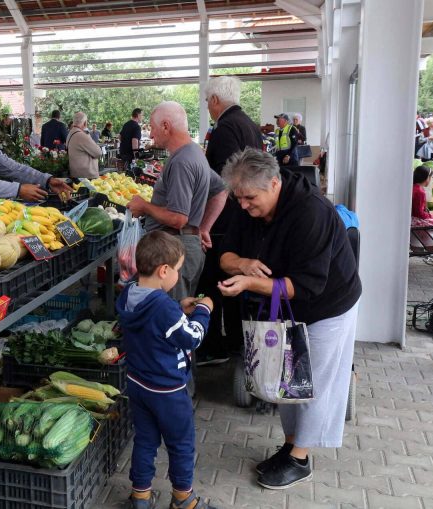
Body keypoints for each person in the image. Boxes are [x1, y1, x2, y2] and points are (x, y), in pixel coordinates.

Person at [217, 147, 362, 490]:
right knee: (286, 380)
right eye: (238, 198)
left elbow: (308, 286)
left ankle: (300, 458)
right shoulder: (245, 205)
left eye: (250, 198)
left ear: (273, 183)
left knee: (314, 384)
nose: (243, 205)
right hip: (281, 305)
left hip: (328, 305)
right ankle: (290, 445)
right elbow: (223, 255)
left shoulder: (312, 212)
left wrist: (252, 282)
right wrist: (242, 265)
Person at [116, 230, 216, 509]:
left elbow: (157, 320)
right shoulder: (163, 307)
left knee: (145, 440)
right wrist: (202, 311)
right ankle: (183, 499)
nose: (177, 276)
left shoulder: (128, 294)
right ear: (163, 270)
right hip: (168, 391)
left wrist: (177, 307)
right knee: (181, 443)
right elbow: (191, 337)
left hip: (138, 384)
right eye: (177, 270)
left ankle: (140, 497)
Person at [127, 101, 227, 302]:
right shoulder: (194, 152)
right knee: (180, 310)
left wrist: (144, 206)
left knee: (171, 314)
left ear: (165, 125)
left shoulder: (182, 161)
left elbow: (178, 218)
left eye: (153, 128)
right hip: (184, 245)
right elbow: (220, 191)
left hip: (173, 250)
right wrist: (204, 228)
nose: (152, 134)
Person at [196, 75, 263, 366]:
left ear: (214, 100)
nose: (208, 107)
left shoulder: (224, 129)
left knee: (212, 280)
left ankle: (214, 346)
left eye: (207, 101)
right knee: (236, 281)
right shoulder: (250, 124)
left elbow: (221, 183)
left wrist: (207, 224)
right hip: (247, 216)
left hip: (226, 221)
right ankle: (236, 341)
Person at [66, 112, 102, 179]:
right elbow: (98, 152)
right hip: (86, 176)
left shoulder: (71, 133)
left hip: (75, 174)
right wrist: (87, 134)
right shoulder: (81, 135)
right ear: (85, 123)